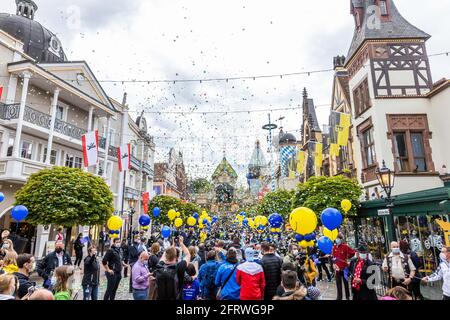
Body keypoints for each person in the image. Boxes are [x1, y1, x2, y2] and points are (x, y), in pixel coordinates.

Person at [154, 236, 191, 300]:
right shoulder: (179, 266)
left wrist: (172, 245)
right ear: (176, 257)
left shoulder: (160, 266)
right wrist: (181, 243)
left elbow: (164, 255)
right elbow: (188, 254)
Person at [332, 234, 356, 300]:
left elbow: (353, 252)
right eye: (337, 238)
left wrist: (347, 258)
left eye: (339, 238)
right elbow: (333, 257)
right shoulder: (334, 247)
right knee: (338, 284)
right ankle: (339, 297)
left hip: (344, 268)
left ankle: (347, 297)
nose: (337, 240)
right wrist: (334, 264)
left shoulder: (345, 246)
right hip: (337, 269)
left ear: (341, 239)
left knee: (346, 283)